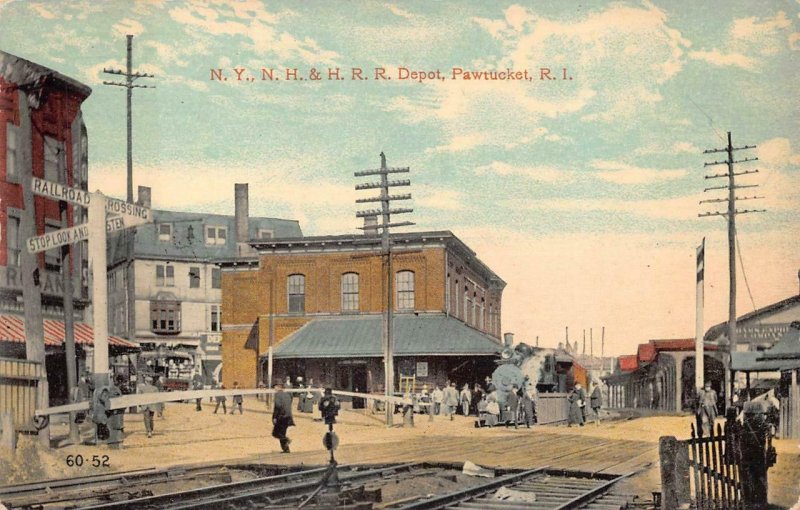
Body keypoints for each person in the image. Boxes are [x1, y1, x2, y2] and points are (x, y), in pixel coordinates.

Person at [272, 381, 294, 453]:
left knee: (276, 433)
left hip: (281, 417)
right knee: (282, 433)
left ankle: (287, 440)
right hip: (288, 416)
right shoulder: (287, 395)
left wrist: (274, 417)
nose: (274, 388)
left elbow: (277, 406)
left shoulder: (277, 395)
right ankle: (286, 449)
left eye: (275, 386)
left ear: (278, 387)